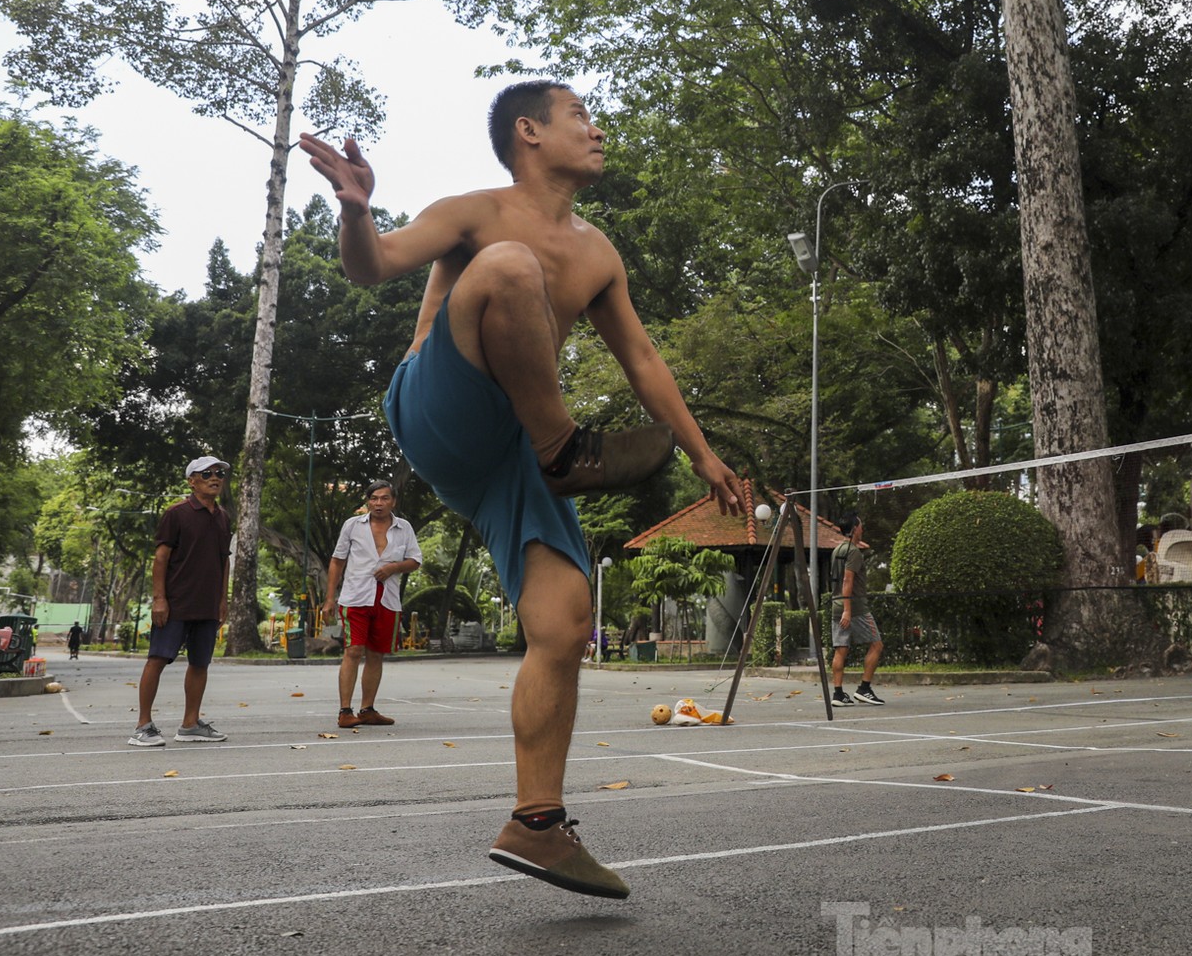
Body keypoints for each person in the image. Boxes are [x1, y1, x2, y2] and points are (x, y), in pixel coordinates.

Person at [299, 81, 743, 900]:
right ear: (530, 132)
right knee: (508, 266)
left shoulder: (599, 252)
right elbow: (373, 267)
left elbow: (643, 360)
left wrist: (705, 456)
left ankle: (537, 824)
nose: (598, 128)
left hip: (515, 447)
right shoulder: (476, 214)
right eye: (582, 115)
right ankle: (563, 446)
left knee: (565, 617)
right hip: (440, 404)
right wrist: (357, 208)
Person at [130, 456, 234, 746]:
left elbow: (223, 562)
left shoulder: (223, 517)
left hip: (208, 604)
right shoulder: (177, 513)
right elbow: (161, 558)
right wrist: (160, 599)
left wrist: (222, 600)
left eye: (219, 473)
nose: (215, 478)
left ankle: (190, 724)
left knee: (201, 663)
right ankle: (143, 726)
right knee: (158, 659)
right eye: (206, 474)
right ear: (191, 481)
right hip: (176, 602)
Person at [326, 480, 424, 729]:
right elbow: (337, 561)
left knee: (376, 654)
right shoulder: (352, 525)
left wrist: (394, 567)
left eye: (384, 498)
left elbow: (415, 560)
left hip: (387, 599)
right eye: (374, 498)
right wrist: (329, 599)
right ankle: (345, 711)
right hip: (355, 597)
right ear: (368, 501)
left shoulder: (404, 528)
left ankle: (367, 709)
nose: (379, 503)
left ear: (394, 501)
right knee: (353, 650)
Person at [829, 514, 885, 707]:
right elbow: (847, 580)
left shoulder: (836, 550)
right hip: (855, 608)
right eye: (860, 526)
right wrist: (848, 609)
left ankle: (838, 694)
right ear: (854, 529)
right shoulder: (853, 552)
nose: (862, 529)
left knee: (841, 649)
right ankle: (864, 689)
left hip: (836, 604)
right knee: (877, 645)